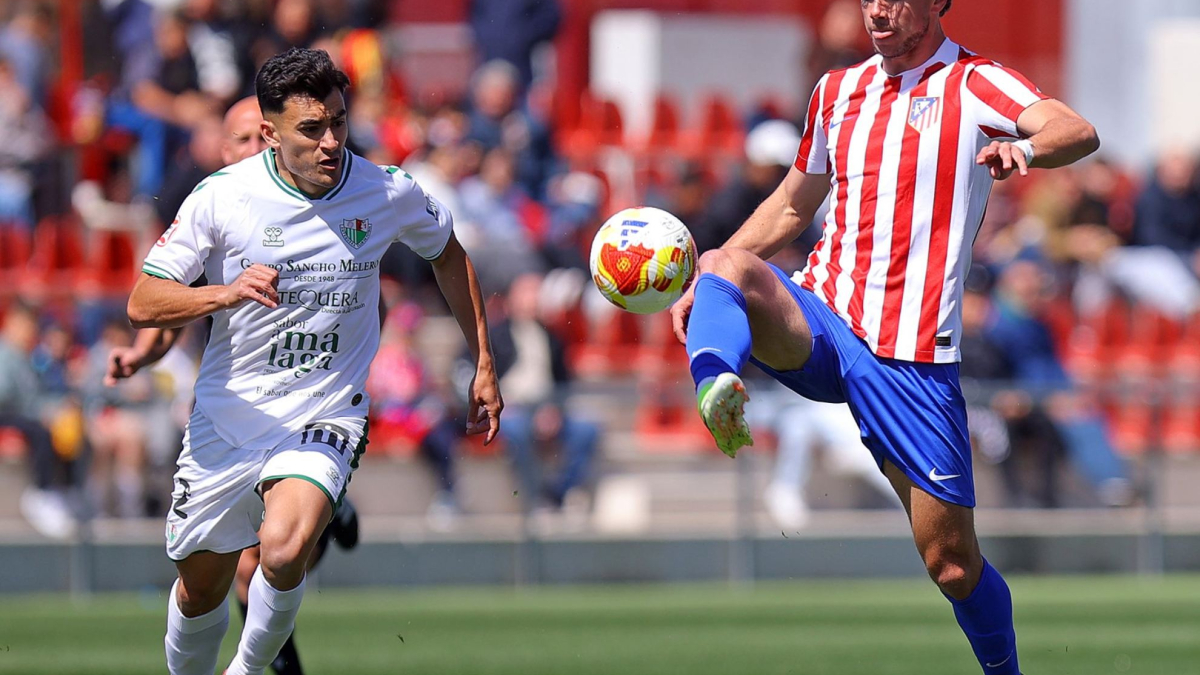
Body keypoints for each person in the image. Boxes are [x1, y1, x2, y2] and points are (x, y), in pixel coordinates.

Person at [669, 2, 1099, 674]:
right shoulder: (838, 91)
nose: (876, 8)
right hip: (824, 316)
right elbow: (790, 204)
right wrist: (704, 286)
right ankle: (716, 383)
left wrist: (1026, 147)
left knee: (951, 564)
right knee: (722, 265)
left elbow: (1076, 129)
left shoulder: (973, 81)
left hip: (913, 359)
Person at [124, 48, 502, 675]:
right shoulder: (222, 198)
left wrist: (484, 361)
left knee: (283, 548)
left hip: (325, 409)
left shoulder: (384, 189)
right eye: (311, 129)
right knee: (201, 589)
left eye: (339, 122)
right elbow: (143, 301)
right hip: (228, 415)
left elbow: (449, 254)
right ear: (269, 134)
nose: (331, 141)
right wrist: (224, 291)